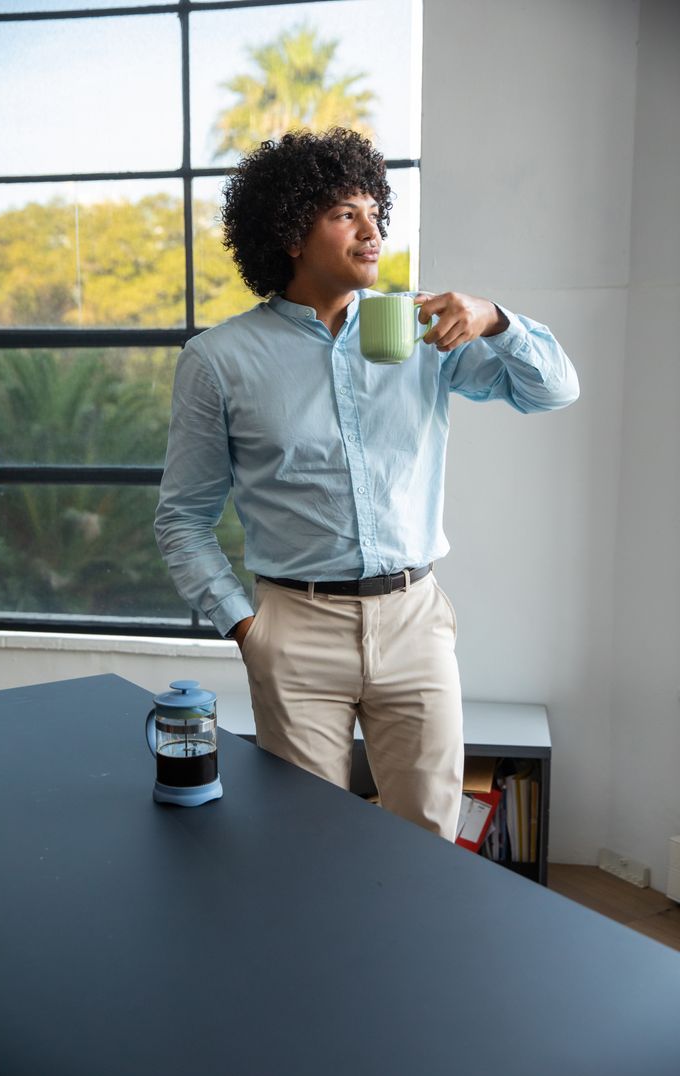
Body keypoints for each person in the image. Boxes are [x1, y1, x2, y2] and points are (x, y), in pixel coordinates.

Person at [155, 128, 579, 841]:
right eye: (344, 214)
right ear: (291, 233)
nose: (371, 230)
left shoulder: (422, 330)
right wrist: (249, 628)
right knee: (309, 841)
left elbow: (553, 391)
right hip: (295, 627)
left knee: (429, 836)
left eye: (374, 212)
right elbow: (183, 518)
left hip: (415, 619)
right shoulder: (219, 360)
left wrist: (497, 320)